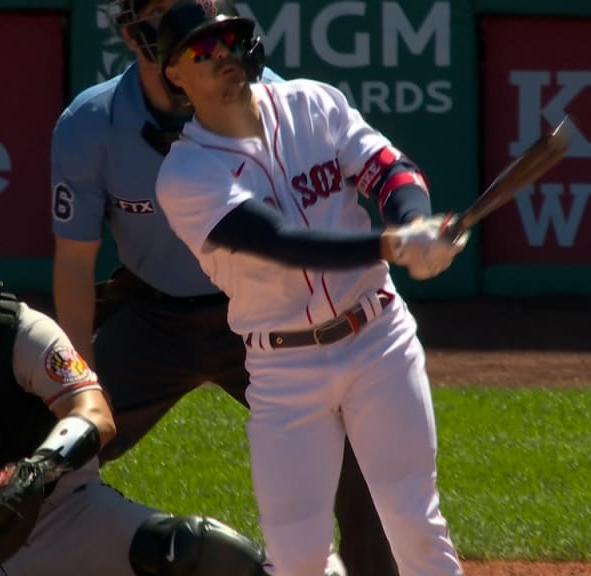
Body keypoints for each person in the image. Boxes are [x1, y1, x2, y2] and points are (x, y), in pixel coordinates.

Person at [50, 1, 394, 573]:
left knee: (361, 451)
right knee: (52, 451)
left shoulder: (275, 101)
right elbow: (73, 263)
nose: (173, 24)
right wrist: (77, 388)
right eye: (158, 13)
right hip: (152, 318)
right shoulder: (89, 123)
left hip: (269, 317)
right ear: (132, 33)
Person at [153, 1, 468, 574]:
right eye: (203, 48)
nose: (222, 55)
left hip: (379, 341)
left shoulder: (312, 104)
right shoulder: (186, 173)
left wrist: (413, 219)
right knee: (296, 558)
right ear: (174, 72)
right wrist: (394, 246)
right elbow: (279, 241)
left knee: (414, 523)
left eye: (230, 40)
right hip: (284, 370)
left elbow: (389, 169)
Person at [0, 195, 287, 576]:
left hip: (70, 511)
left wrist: (33, 471)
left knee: (193, 551)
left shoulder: (17, 330)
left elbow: (95, 415)